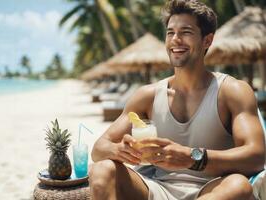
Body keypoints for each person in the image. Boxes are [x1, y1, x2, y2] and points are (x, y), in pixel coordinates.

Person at [89, 0, 265, 199]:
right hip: (157, 188)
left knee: (238, 186)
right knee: (102, 170)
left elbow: (257, 156)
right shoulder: (147, 95)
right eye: (170, 32)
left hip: (213, 188)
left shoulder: (232, 91)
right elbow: (99, 149)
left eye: (186, 32)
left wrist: (192, 158)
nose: (175, 40)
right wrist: (121, 151)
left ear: (207, 40)